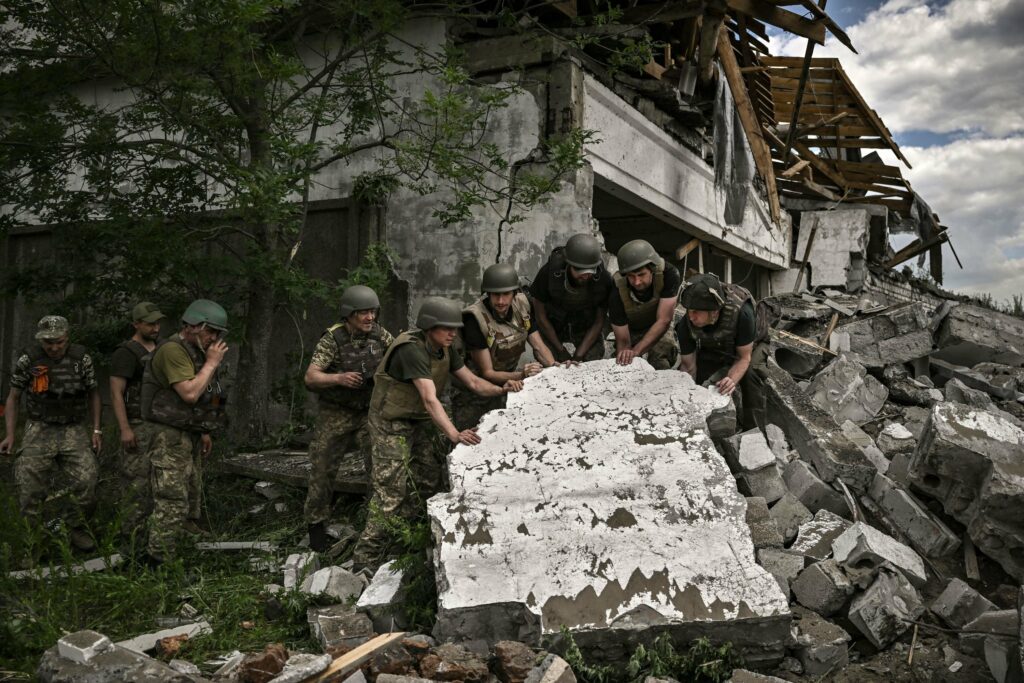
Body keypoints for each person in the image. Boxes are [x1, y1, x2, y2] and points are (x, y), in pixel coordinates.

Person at [352, 296, 520, 569]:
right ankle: (365, 561)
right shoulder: (412, 350)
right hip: (390, 422)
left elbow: (474, 382)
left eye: (455, 329)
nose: (453, 334)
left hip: (417, 419)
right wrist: (454, 434)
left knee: (429, 479)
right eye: (446, 328)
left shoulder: (445, 348)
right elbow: (430, 399)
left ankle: (404, 542)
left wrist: (503, 388)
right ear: (429, 327)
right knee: (390, 492)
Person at [303, 285, 394, 552]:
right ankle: (316, 524)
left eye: (373, 312)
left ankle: (375, 522)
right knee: (322, 465)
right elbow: (311, 377)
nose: (369, 317)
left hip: (368, 410)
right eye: (363, 313)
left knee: (379, 464)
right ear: (349, 314)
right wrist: (339, 378)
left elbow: (398, 354)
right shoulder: (333, 339)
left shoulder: (379, 334)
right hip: (336, 411)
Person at [0, 315, 102, 552]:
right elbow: (14, 397)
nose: (54, 347)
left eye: (59, 342)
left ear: (67, 338)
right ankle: (33, 543)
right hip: (40, 428)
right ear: (40, 340)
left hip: (72, 429)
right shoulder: (29, 360)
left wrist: (97, 429)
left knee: (87, 481)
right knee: (29, 487)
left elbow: (94, 394)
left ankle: (74, 528)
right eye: (48, 342)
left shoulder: (81, 359)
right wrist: (10, 435)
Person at [140, 299, 229, 563]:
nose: (214, 338)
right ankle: (158, 560)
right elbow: (189, 393)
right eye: (210, 331)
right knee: (172, 497)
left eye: (217, 333)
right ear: (192, 326)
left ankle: (183, 545)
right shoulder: (172, 350)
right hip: (167, 434)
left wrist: (204, 430)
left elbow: (205, 395)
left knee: (191, 494)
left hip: (188, 432)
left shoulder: (197, 351)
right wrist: (211, 363)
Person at [452, 263, 559, 430]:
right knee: (472, 436)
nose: (501, 301)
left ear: (514, 293)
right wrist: (522, 375)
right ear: (487, 294)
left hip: (506, 384)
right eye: (495, 295)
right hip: (473, 392)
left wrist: (555, 368)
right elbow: (487, 372)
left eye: (506, 294)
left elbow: (539, 346)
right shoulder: (475, 319)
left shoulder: (523, 305)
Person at [676, 273, 766, 426]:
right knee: (702, 381)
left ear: (714, 311)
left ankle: (754, 429)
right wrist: (685, 399)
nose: (691, 317)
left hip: (750, 345)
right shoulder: (686, 324)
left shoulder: (743, 313)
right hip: (716, 345)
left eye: (696, 312)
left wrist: (731, 380)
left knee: (752, 373)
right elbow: (688, 367)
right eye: (689, 311)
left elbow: (744, 357)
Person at [109, 302, 165, 543]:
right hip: (137, 424)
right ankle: (130, 539)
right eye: (150, 323)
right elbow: (116, 393)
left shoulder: (162, 348)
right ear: (136, 324)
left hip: (161, 424)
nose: (156, 327)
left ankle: (154, 536)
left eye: (158, 322)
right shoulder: (126, 353)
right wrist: (125, 428)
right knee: (136, 483)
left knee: (160, 482)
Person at [530, 234, 613, 362]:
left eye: (589, 271)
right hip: (554, 325)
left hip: (584, 325)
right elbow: (540, 317)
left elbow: (599, 321)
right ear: (569, 264)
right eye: (580, 270)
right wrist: (561, 351)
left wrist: (578, 355)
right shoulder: (549, 273)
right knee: (549, 360)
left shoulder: (603, 278)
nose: (585, 276)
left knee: (593, 357)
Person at [609, 239, 681, 369]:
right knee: (621, 362)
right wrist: (627, 355)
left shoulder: (668, 274)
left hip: (658, 325)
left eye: (641, 274)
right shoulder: (616, 287)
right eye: (631, 276)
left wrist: (636, 352)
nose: (637, 282)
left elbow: (664, 320)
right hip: (631, 329)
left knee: (661, 356)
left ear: (652, 269)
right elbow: (623, 339)